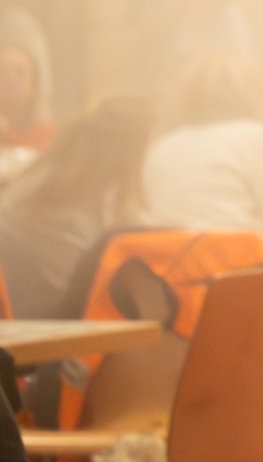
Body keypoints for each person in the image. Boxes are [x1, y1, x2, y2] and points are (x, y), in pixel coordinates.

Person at [0, 96, 152, 317]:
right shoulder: (86, 204)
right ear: (131, 158)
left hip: (15, 323)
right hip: (52, 328)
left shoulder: (36, 177)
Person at [141, 52, 263, 247]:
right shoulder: (257, 137)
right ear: (250, 92)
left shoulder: (162, 146)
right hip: (234, 260)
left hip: (172, 263)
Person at [0, 9, 54, 152]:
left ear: (35, 83)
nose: (10, 80)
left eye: (20, 72)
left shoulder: (54, 141)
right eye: (3, 72)